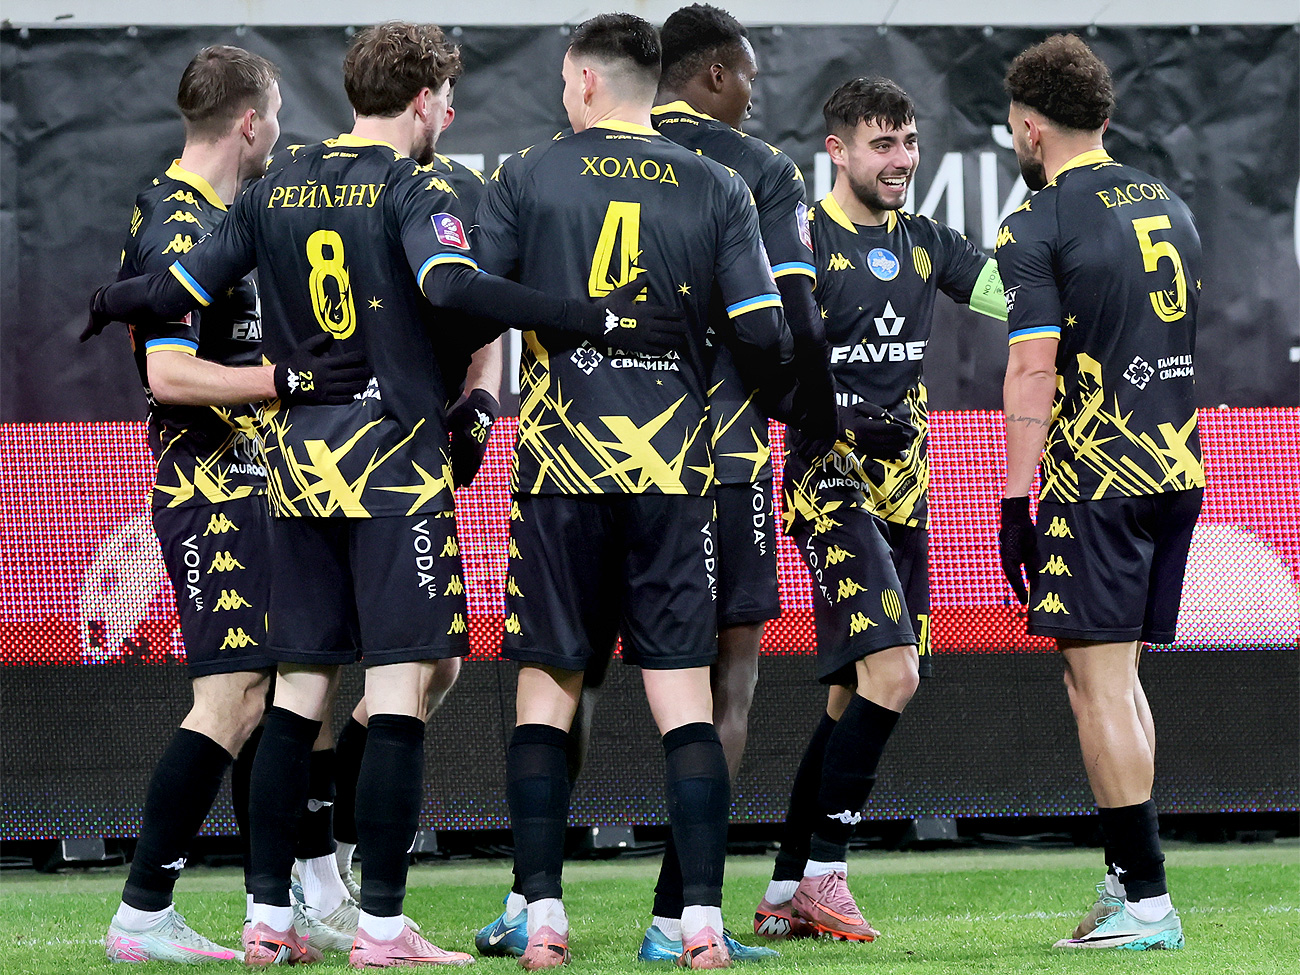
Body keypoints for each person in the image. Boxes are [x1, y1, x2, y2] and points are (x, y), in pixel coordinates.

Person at [89, 20, 685, 969]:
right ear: (421, 101)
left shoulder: (277, 187)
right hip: (391, 471)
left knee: (296, 696)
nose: (447, 115)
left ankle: (270, 917)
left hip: (292, 472)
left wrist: (106, 303)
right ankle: (378, 928)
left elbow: (173, 289)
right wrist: (587, 316)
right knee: (402, 686)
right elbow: (451, 285)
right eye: (445, 99)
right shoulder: (413, 187)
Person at [471, 12, 798, 970]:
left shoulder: (526, 173)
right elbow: (765, 331)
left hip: (561, 469)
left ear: (583, 80)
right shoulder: (718, 184)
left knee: (548, 692)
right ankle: (694, 924)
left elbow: (468, 296)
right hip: (674, 473)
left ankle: (540, 918)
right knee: (685, 700)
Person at [96, 44, 368, 965]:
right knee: (233, 697)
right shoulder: (177, 221)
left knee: (296, 689)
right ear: (250, 122)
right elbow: (169, 376)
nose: (282, 132)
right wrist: (286, 379)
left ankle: (293, 899)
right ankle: (143, 910)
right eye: (278, 115)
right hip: (209, 490)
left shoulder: (227, 213)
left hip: (263, 485)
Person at [752, 76, 1008, 944]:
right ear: (837, 150)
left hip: (907, 493)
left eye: (909, 142)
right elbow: (767, 369)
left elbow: (1015, 300)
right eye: (883, 144)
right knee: (895, 675)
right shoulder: (802, 241)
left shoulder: (927, 241)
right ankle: (827, 872)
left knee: (850, 695)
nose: (902, 160)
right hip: (829, 487)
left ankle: (785, 889)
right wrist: (840, 415)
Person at [996, 33, 1202, 951]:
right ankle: (1128, 882)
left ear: (1030, 127)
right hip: (1177, 467)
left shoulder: (1036, 221)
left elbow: (1032, 369)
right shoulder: (1169, 203)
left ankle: (1147, 904)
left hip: (1099, 479)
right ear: (1104, 118)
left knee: (1097, 685)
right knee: (1115, 680)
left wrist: (1015, 502)